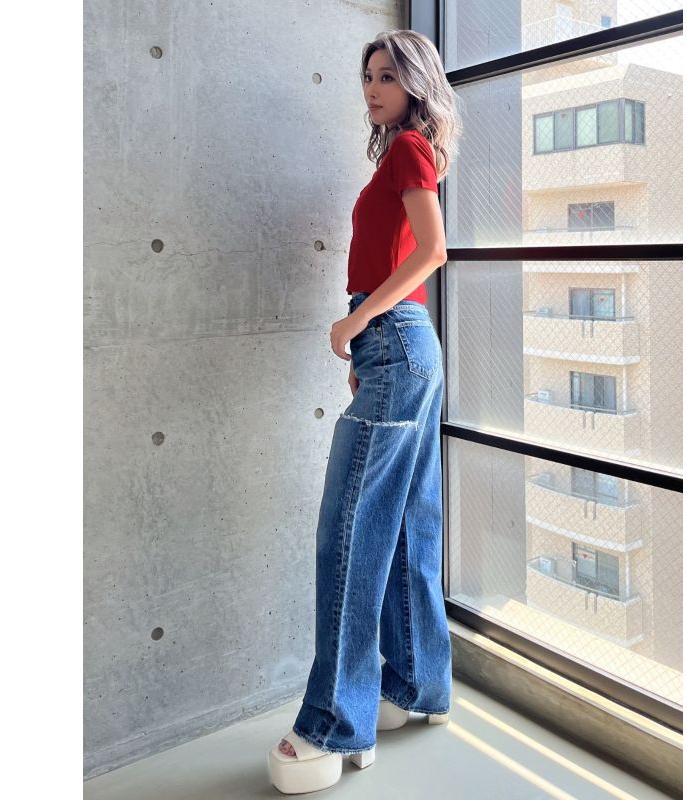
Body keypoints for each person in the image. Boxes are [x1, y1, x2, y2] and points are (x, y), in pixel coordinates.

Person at [268, 28, 463, 795]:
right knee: (408, 522)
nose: (373, 88)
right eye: (369, 76)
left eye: (388, 76)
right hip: (405, 349)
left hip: (393, 337)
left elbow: (432, 251)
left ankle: (333, 727)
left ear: (415, 83)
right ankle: (417, 685)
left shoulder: (410, 149)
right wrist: (372, 343)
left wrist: (358, 322)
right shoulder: (405, 153)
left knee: (348, 531)